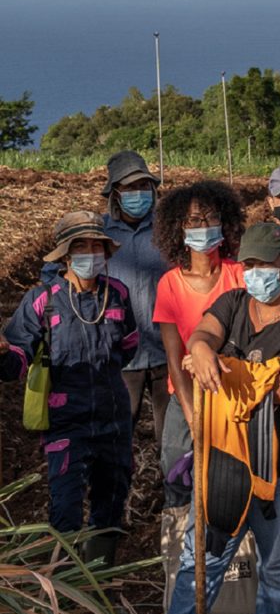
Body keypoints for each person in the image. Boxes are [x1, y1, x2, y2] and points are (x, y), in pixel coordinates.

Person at [158, 223, 280, 614]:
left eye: (265, 265)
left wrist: (220, 366)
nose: (255, 273)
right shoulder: (234, 301)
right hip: (227, 459)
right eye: (248, 264)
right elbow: (202, 335)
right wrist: (199, 350)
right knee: (205, 554)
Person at [3, 212, 138, 566]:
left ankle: (100, 581)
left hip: (113, 417)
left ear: (107, 253)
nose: (90, 254)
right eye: (81, 246)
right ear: (65, 255)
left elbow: (128, 347)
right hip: (66, 418)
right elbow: (18, 356)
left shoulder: (117, 294)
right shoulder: (43, 300)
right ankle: (65, 587)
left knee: (112, 500)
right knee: (65, 502)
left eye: (97, 246)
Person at [152, 181, 246, 513]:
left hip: (234, 394)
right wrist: (192, 416)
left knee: (233, 477)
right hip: (187, 395)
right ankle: (181, 549)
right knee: (178, 473)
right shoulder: (170, 284)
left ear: (225, 222)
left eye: (210, 219)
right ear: (179, 228)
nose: (203, 228)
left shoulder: (241, 275)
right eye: (193, 221)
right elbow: (175, 360)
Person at [101, 150, 170, 444]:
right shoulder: (100, 233)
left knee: (171, 439)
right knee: (117, 435)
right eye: (130, 188)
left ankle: (173, 488)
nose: (138, 193)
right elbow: (57, 273)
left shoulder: (168, 230)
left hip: (167, 351)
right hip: (120, 356)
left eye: (144, 186)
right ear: (115, 193)